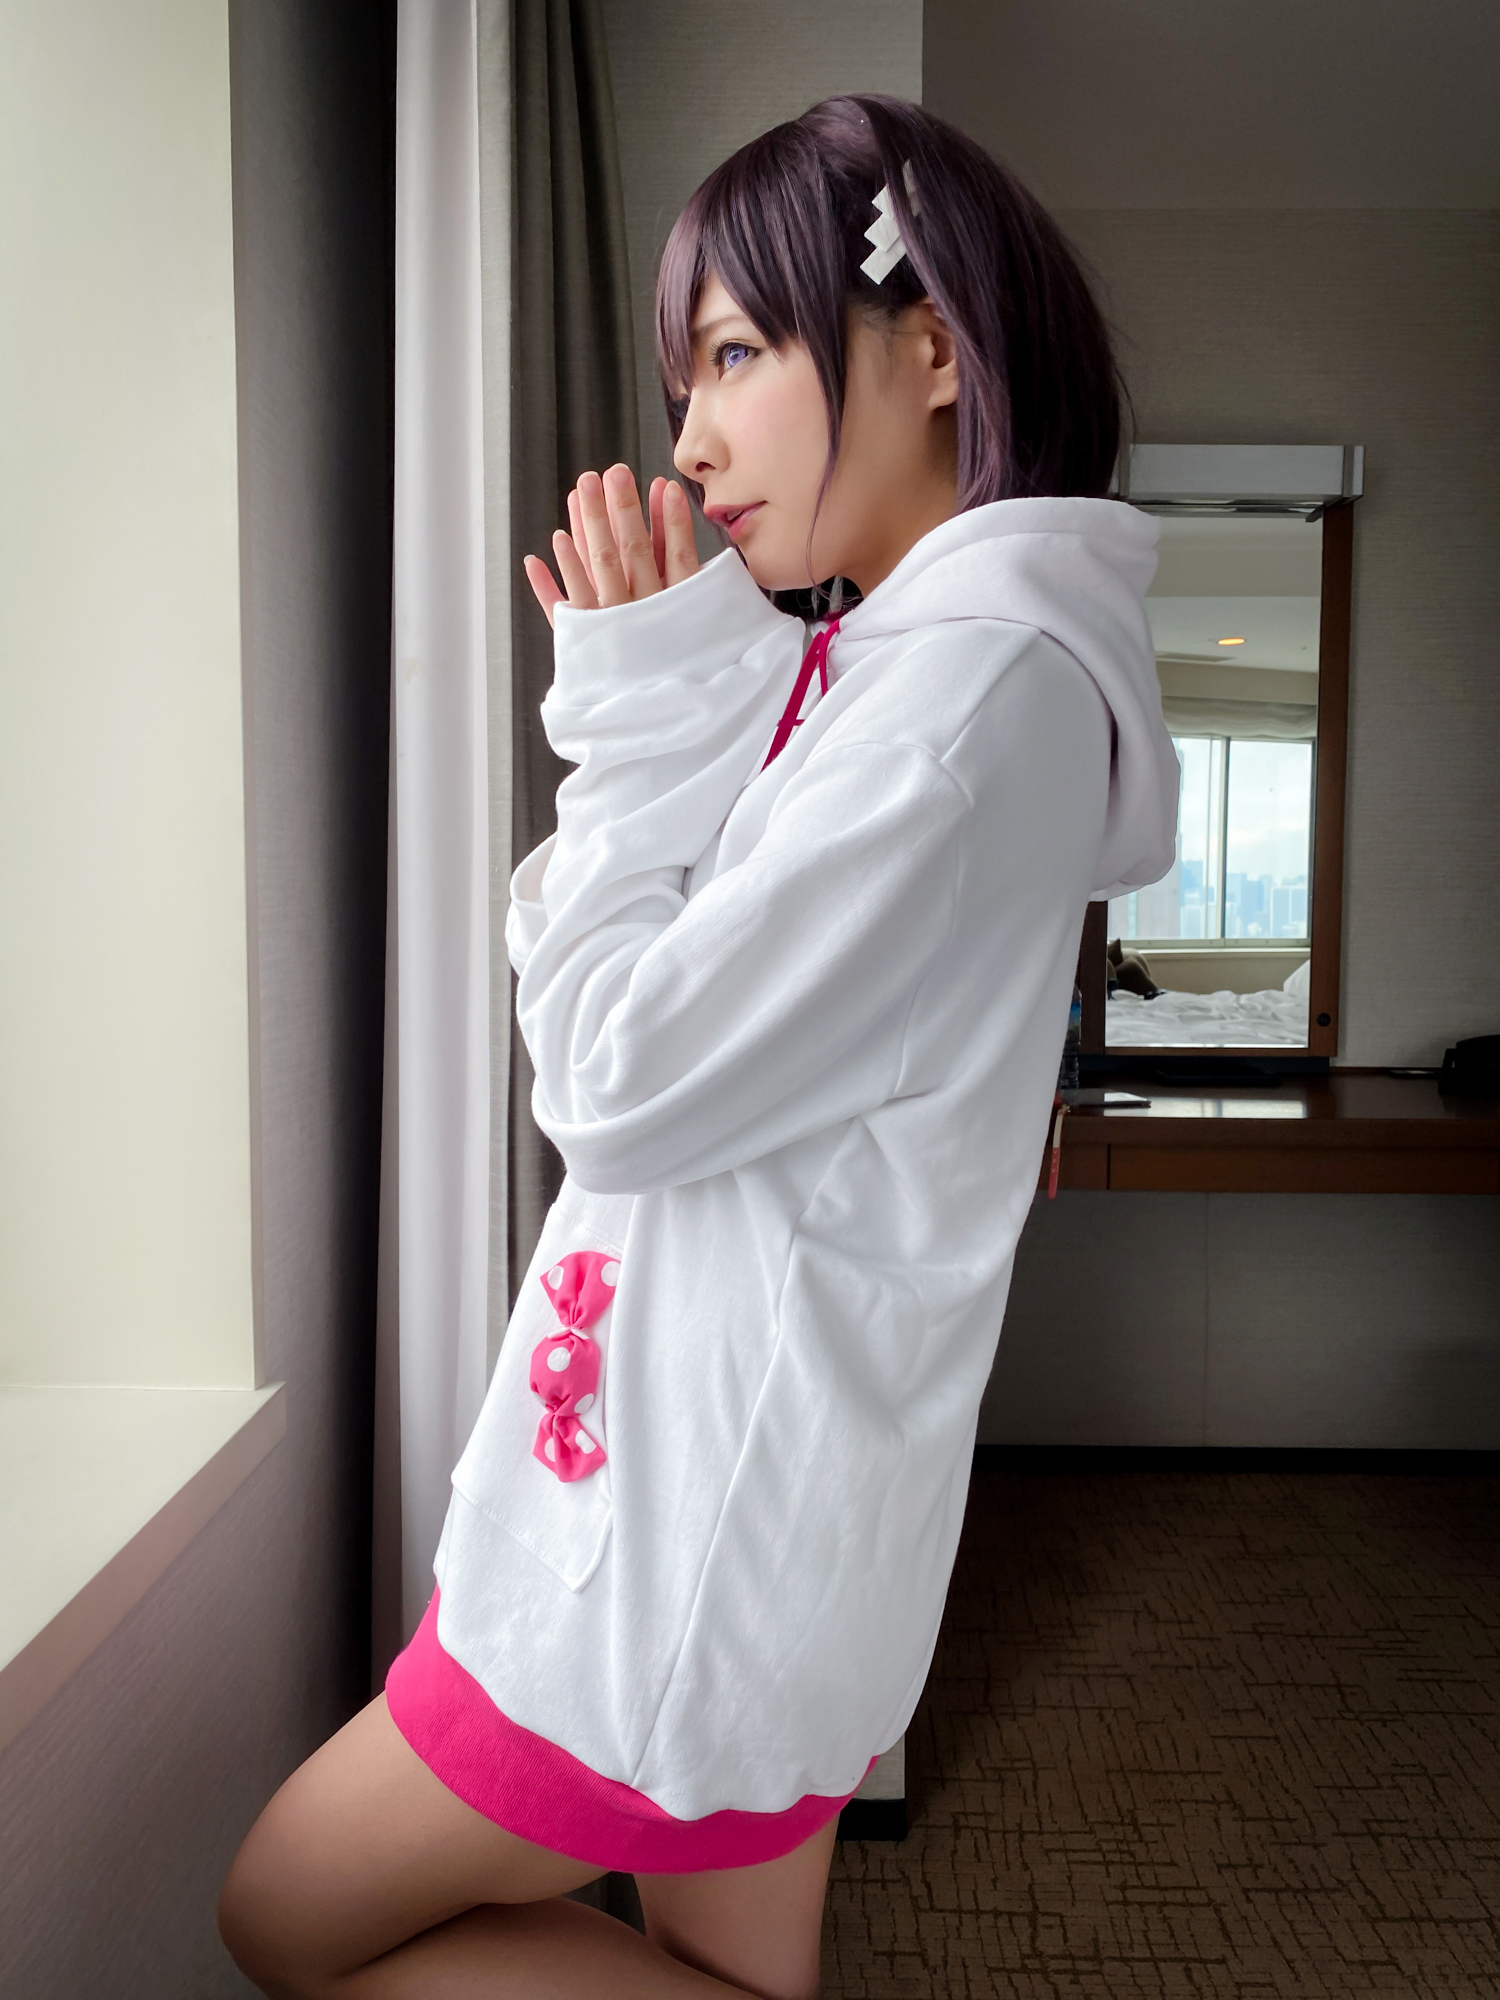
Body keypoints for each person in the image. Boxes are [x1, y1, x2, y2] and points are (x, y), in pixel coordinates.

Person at [219, 92, 1178, 2000]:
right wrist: (693, 690)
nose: (692, 437)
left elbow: (617, 1076)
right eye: (689, 377)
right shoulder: (914, 676)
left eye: (737, 354)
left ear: (932, 348)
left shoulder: (953, 709)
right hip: (757, 1518)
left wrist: (635, 723)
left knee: (285, 1915)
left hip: (678, 1555)